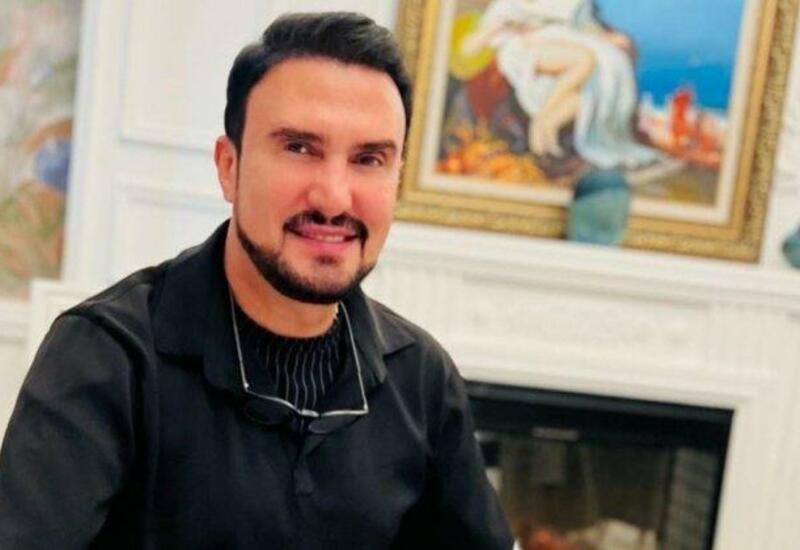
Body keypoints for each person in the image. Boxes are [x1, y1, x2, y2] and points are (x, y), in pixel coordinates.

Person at [0, 12, 513, 549]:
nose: (334, 198)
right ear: (229, 167)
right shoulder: (107, 354)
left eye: (369, 159)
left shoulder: (422, 379)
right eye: (299, 148)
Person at [461, 0, 659, 169]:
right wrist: (502, 29)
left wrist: (608, 38)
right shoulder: (508, 5)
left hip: (557, 43)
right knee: (585, 60)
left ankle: (543, 148)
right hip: (523, 50)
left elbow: (582, 26)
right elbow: (469, 47)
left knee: (591, 91)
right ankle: (542, 119)